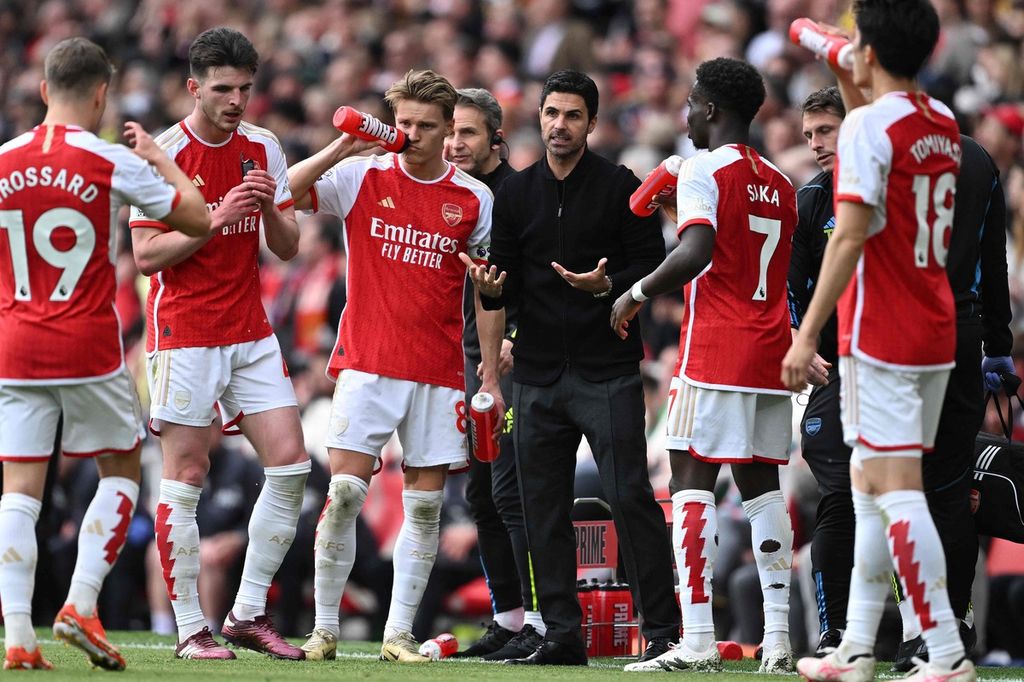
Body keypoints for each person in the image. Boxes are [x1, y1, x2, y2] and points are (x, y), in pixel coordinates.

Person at [0, 37, 209, 670]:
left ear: (42, 92)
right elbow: (198, 219)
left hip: (14, 343)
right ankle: (81, 604)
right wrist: (159, 158)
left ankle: (17, 636)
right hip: (86, 343)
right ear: (100, 95)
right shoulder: (107, 160)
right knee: (121, 470)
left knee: (19, 488)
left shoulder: (4, 158)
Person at [782, 1, 976, 680]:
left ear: (868, 51)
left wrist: (805, 337)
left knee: (896, 492)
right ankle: (857, 648)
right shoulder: (942, 121)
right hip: (933, 323)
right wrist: (834, 49)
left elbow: (853, 234)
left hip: (883, 332)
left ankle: (945, 652)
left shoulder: (865, 127)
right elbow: (872, 96)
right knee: (868, 485)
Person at [286, 69, 505, 663]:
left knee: (426, 505)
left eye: (425, 126)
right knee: (345, 494)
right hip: (368, 361)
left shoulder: (474, 199)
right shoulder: (361, 175)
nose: (410, 134)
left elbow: (488, 293)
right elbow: (284, 192)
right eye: (403, 122)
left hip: (436, 368)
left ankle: (398, 635)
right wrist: (343, 145)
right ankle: (323, 629)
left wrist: (487, 374)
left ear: (446, 131)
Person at [465, 69, 680, 667]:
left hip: (606, 369)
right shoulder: (514, 194)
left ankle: (662, 633)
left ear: (592, 122)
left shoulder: (620, 186)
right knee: (541, 507)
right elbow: (498, 285)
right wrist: (486, 291)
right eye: (551, 113)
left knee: (628, 495)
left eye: (573, 115)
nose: (560, 125)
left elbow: (652, 265)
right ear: (539, 117)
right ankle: (562, 635)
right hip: (535, 375)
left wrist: (606, 284)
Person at [611, 57, 799, 674]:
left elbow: (696, 252)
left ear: (712, 110)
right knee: (762, 489)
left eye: (693, 104)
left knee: (689, 483)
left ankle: (696, 642)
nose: (687, 114)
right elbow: (739, 252)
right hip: (770, 352)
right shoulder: (779, 181)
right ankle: (776, 641)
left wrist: (635, 293)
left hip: (715, 348)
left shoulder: (699, 169)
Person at [129, 27, 311, 661]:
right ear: (193, 88)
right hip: (186, 329)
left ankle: (247, 612)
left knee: (290, 464)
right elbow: (147, 257)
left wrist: (268, 211)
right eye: (223, 89)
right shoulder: (165, 153)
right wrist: (214, 219)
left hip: (250, 327)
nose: (236, 100)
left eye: (244, 88)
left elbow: (288, 247)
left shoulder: (263, 146)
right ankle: (187, 628)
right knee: (187, 474)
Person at [444, 87, 543, 660]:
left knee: (510, 492)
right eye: (450, 132)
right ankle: (508, 619)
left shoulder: (518, 197)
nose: (456, 144)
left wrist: (511, 342)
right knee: (481, 493)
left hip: (511, 363)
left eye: (469, 133)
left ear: (495, 139)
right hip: (466, 359)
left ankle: (538, 617)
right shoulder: (455, 197)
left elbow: (536, 287)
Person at [787, 86, 852, 656]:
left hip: (898, 364)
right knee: (840, 498)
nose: (815, 144)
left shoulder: (895, 193)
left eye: (825, 130)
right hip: (833, 372)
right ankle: (834, 634)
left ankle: (930, 633)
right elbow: (790, 287)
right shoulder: (810, 202)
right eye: (809, 134)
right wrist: (798, 341)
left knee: (908, 497)